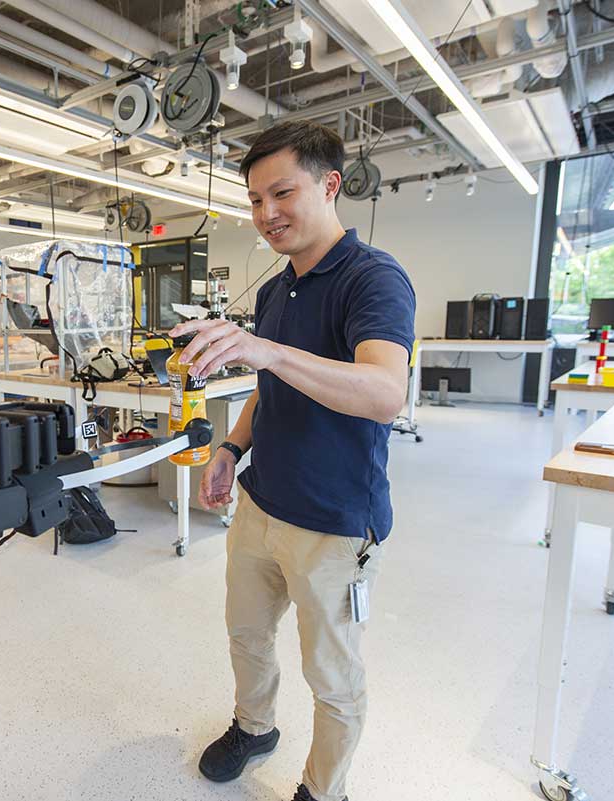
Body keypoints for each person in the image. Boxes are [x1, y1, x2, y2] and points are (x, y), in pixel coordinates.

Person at [171, 120, 415, 801]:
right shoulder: (279, 290)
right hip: (261, 502)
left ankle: (323, 788)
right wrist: (230, 446)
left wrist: (266, 350)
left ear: (330, 184)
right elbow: (268, 386)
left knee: (331, 675)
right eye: (253, 200)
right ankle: (254, 727)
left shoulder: (374, 281)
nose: (265, 214)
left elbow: (383, 392)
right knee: (246, 633)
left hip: (334, 522)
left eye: (281, 192)